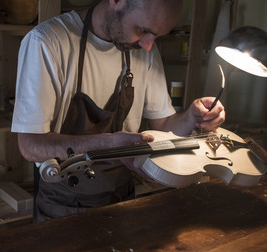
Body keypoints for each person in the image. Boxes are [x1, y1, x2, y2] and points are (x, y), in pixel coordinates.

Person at [11, 0, 225, 221]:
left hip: (122, 197)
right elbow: (30, 145)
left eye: (156, 36)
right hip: (64, 205)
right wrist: (107, 144)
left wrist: (192, 116)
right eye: (142, 30)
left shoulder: (144, 50)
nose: (148, 45)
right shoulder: (48, 41)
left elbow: (165, 126)